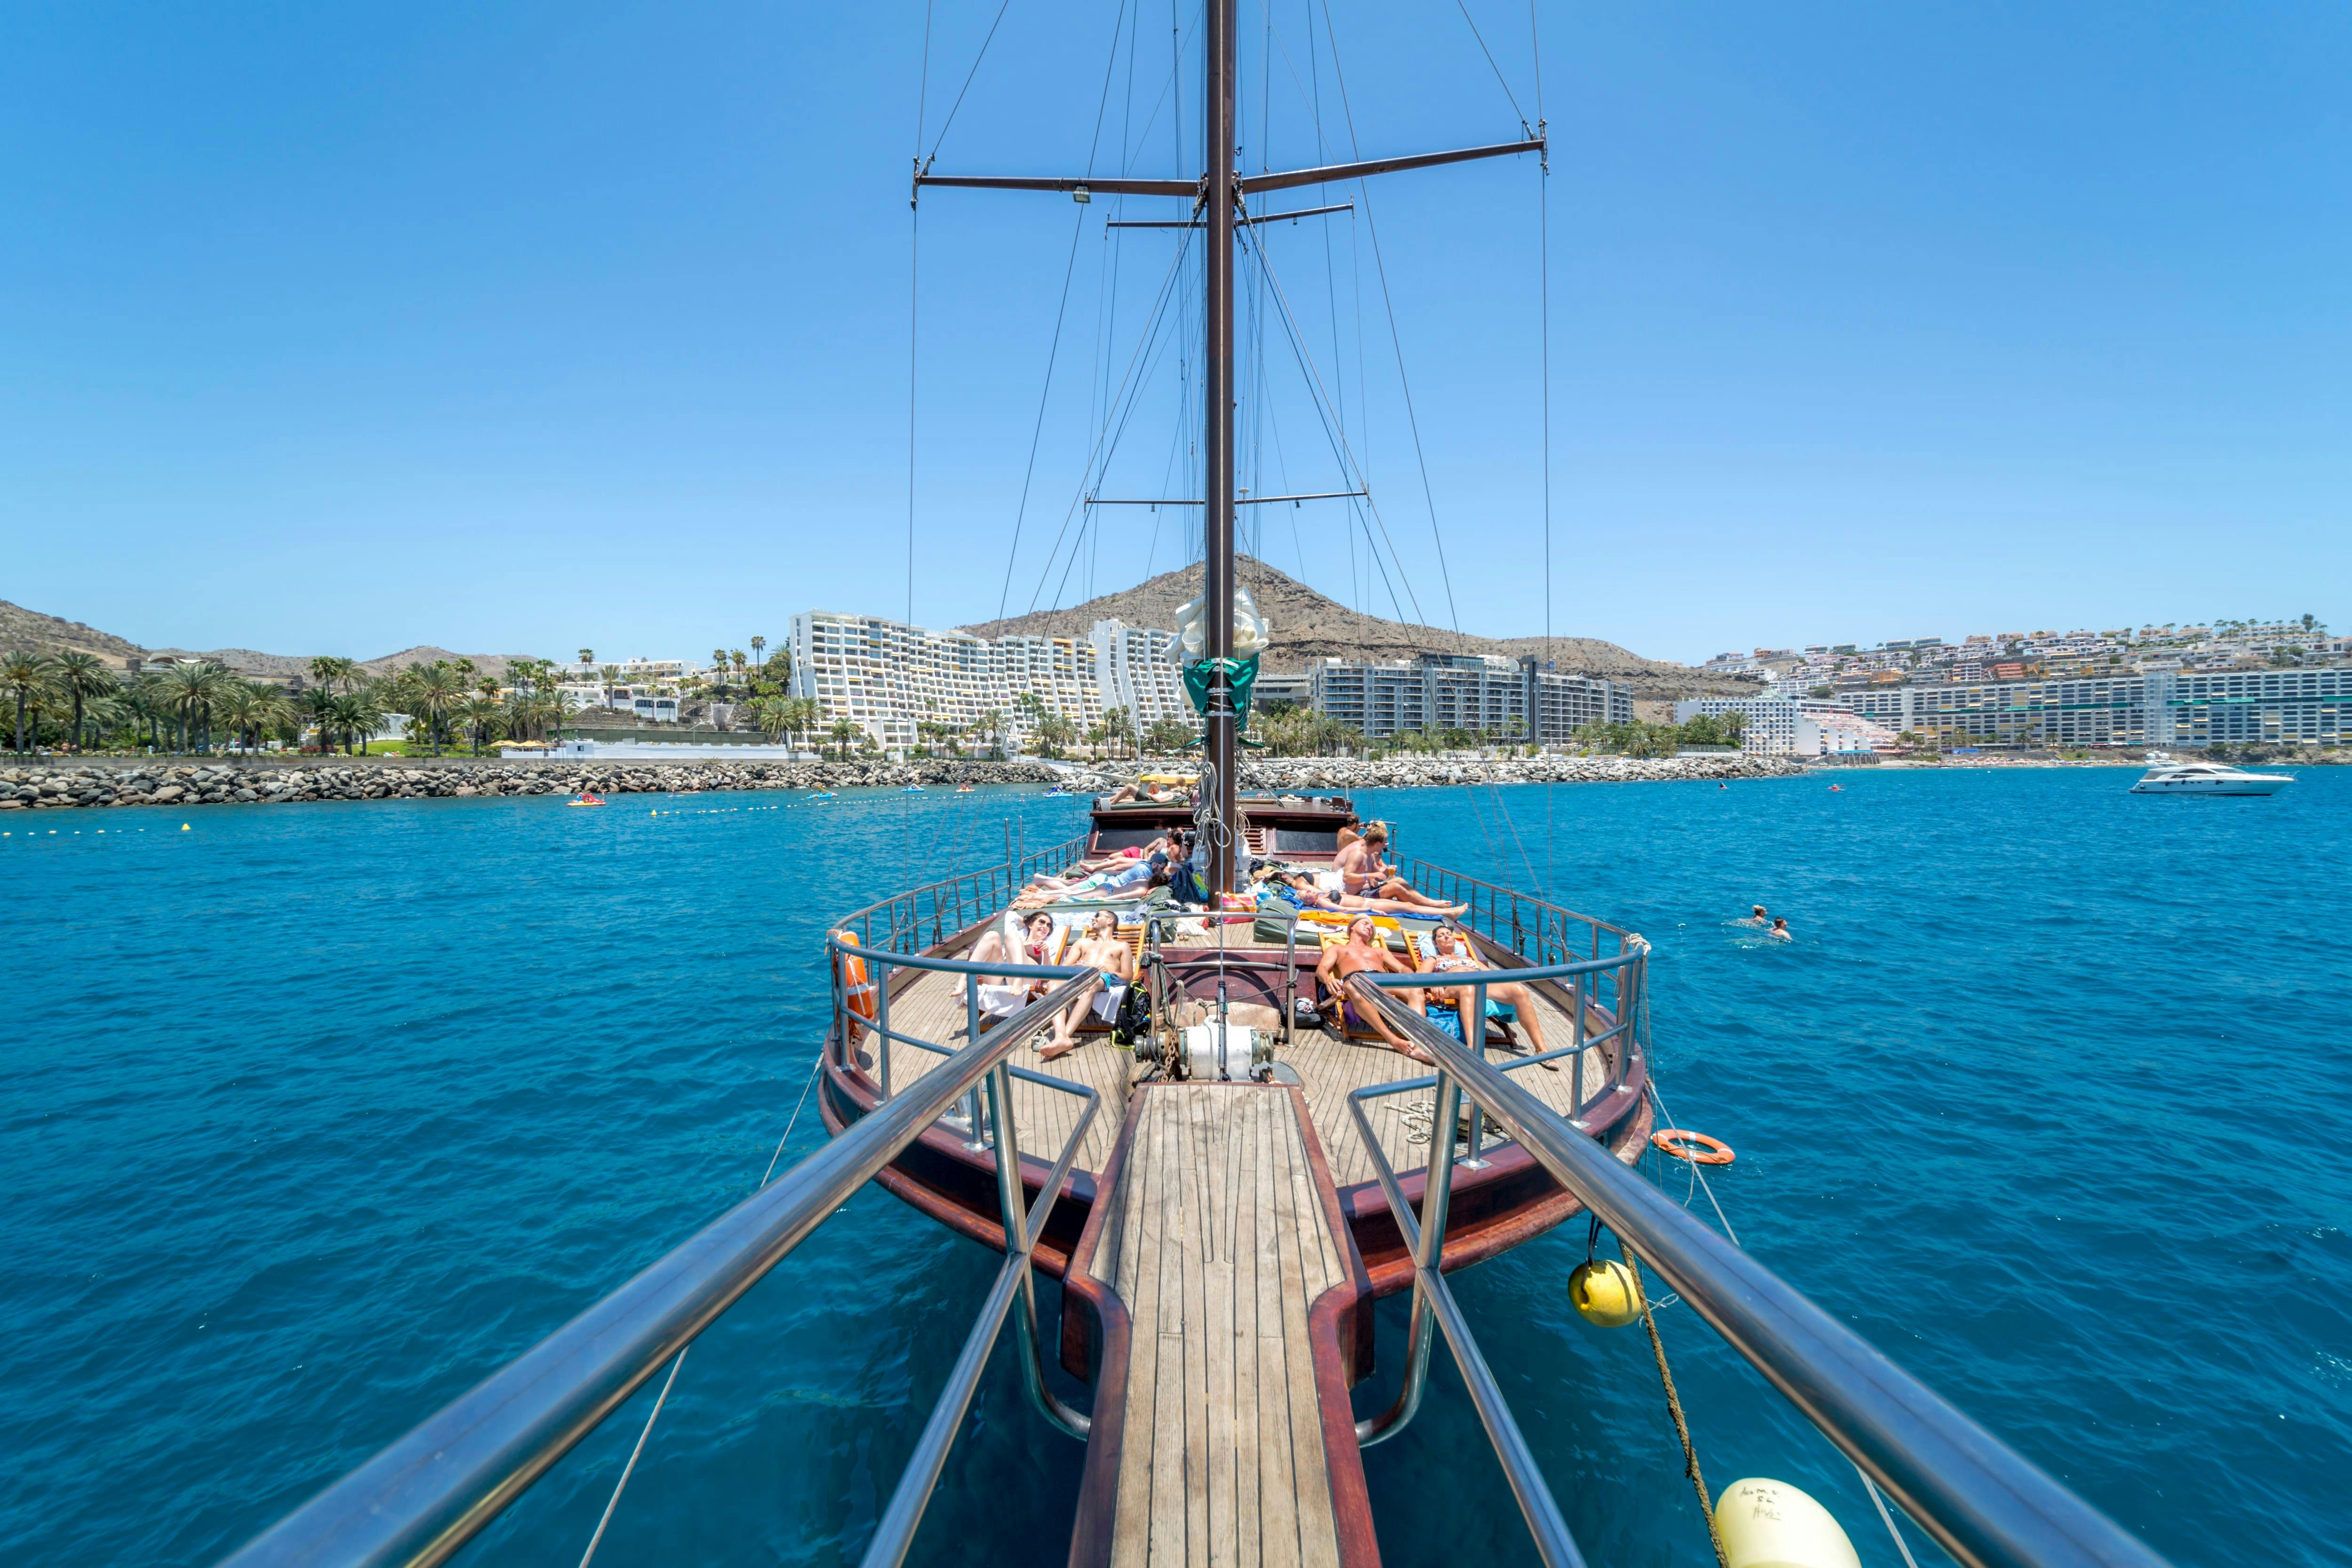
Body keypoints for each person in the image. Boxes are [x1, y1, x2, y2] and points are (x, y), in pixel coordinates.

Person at [1421, 925, 1550, 1060]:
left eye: (1449, 933)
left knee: (1518, 990)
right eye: (1441, 935)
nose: (1447, 936)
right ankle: (1473, 1049)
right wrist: (1435, 983)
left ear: (1455, 939)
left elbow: (1491, 976)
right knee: (1468, 988)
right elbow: (1419, 978)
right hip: (1452, 986)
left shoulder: (1471, 960)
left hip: (1480, 984)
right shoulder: (1434, 960)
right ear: (1435, 943)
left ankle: (1542, 1050)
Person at [1315, 914, 1431, 1062]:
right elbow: (1322, 969)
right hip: (1357, 979)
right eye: (1365, 924)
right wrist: (1328, 979)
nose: (1369, 927)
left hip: (1383, 981)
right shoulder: (1338, 949)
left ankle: (1420, 1044)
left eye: (1372, 927)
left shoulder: (1379, 952)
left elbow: (1402, 968)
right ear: (1352, 927)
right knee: (1351, 985)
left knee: (1416, 990)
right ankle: (1393, 1040)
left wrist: (1411, 977)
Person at [1041, 910, 1136, 1060]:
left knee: (1091, 985)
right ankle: (1061, 1036)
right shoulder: (1083, 943)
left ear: (1110, 921)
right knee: (1053, 984)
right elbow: (1064, 968)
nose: (1094, 918)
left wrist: (1108, 970)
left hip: (1102, 977)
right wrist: (1077, 967)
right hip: (1078, 975)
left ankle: (1065, 1035)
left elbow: (1128, 976)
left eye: (1098, 915)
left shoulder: (1121, 946)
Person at [965, 910, 1060, 1028]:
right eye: (1042, 922)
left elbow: (1048, 974)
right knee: (995, 936)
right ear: (1031, 925)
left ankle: (1018, 978)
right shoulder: (1017, 939)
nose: (1046, 927)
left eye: (1048, 925)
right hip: (1004, 978)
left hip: (1027, 979)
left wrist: (1045, 952)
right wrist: (1027, 922)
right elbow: (1010, 915)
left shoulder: (1048, 945)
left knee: (1011, 935)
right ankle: (964, 979)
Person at [1333, 825, 1456, 911]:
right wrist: (1370, 876)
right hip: (1358, 895)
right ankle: (1431, 905)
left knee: (1399, 881)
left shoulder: (1369, 856)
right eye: (1384, 842)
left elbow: (1380, 877)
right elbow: (1347, 877)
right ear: (1377, 844)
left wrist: (1387, 872)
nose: (1386, 845)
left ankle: (1427, 901)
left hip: (1368, 890)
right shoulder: (1358, 854)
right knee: (1396, 888)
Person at [1265, 869, 1465, 919]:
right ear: (1308, 902)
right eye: (1307, 895)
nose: (1309, 892)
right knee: (1408, 908)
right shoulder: (1323, 904)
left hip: (1366, 899)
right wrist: (1371, 910)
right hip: (1367, 905)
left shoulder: (1321, 895)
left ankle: (1437, 907)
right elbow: (1344, 908)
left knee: (1406, 903)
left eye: (1308, 891)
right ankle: (1448, 913)